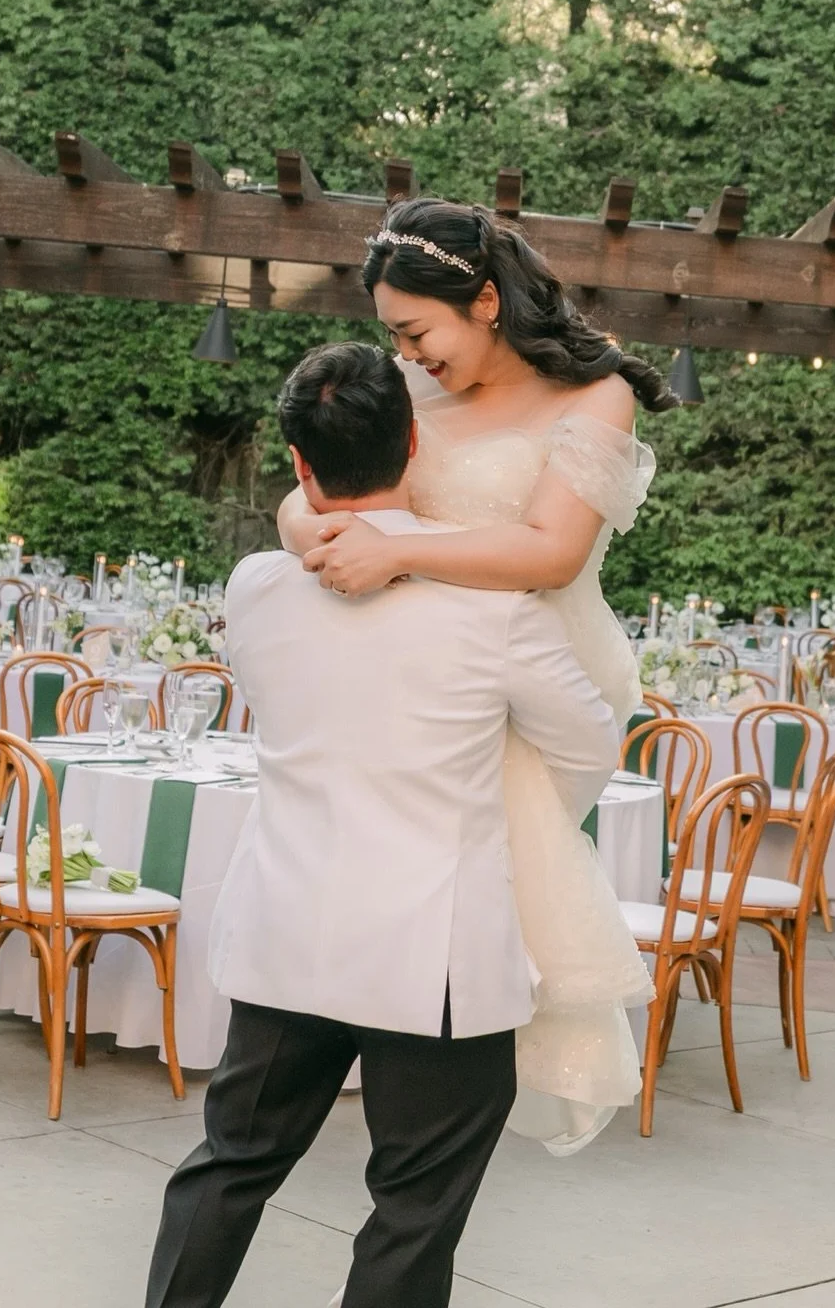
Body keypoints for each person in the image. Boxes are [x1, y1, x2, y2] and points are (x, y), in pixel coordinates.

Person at [145, 341, 620, 1308]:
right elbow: (588, 744)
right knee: (414, 1207)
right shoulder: (496, 614)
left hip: (287, 938)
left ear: (295, 460)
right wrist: (516, 810)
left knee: (230, 1162)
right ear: (414, 441)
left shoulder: (254, 587)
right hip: (432, 961)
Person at [279, 196, 674, 1154]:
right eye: (392, 336)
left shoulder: (599, 395)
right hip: (427, 670)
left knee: (499, 885)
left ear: (486, 302)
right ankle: (383, 1038)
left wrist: (400, 553)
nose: (405, 354)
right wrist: (315, 535)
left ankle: (446, 1087)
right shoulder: (413, 393)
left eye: (415, 331)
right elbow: (308, 494)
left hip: (544, 678)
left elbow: (552, 552)